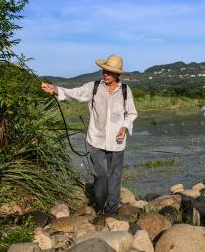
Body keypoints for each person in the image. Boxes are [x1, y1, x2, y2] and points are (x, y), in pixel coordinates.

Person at [41, 54, 138, 214]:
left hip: (117, 142)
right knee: (100, 175)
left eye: (109, 71)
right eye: (104, 70)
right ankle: (100, 207)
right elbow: (74, 93)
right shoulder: (93, 87)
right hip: (96, 140)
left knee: (115, 177)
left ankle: (112, 211)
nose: (105, 73)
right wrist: (56, 89)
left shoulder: (126, 91)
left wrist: (124, 127)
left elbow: (131, 113)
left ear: (117, 74)